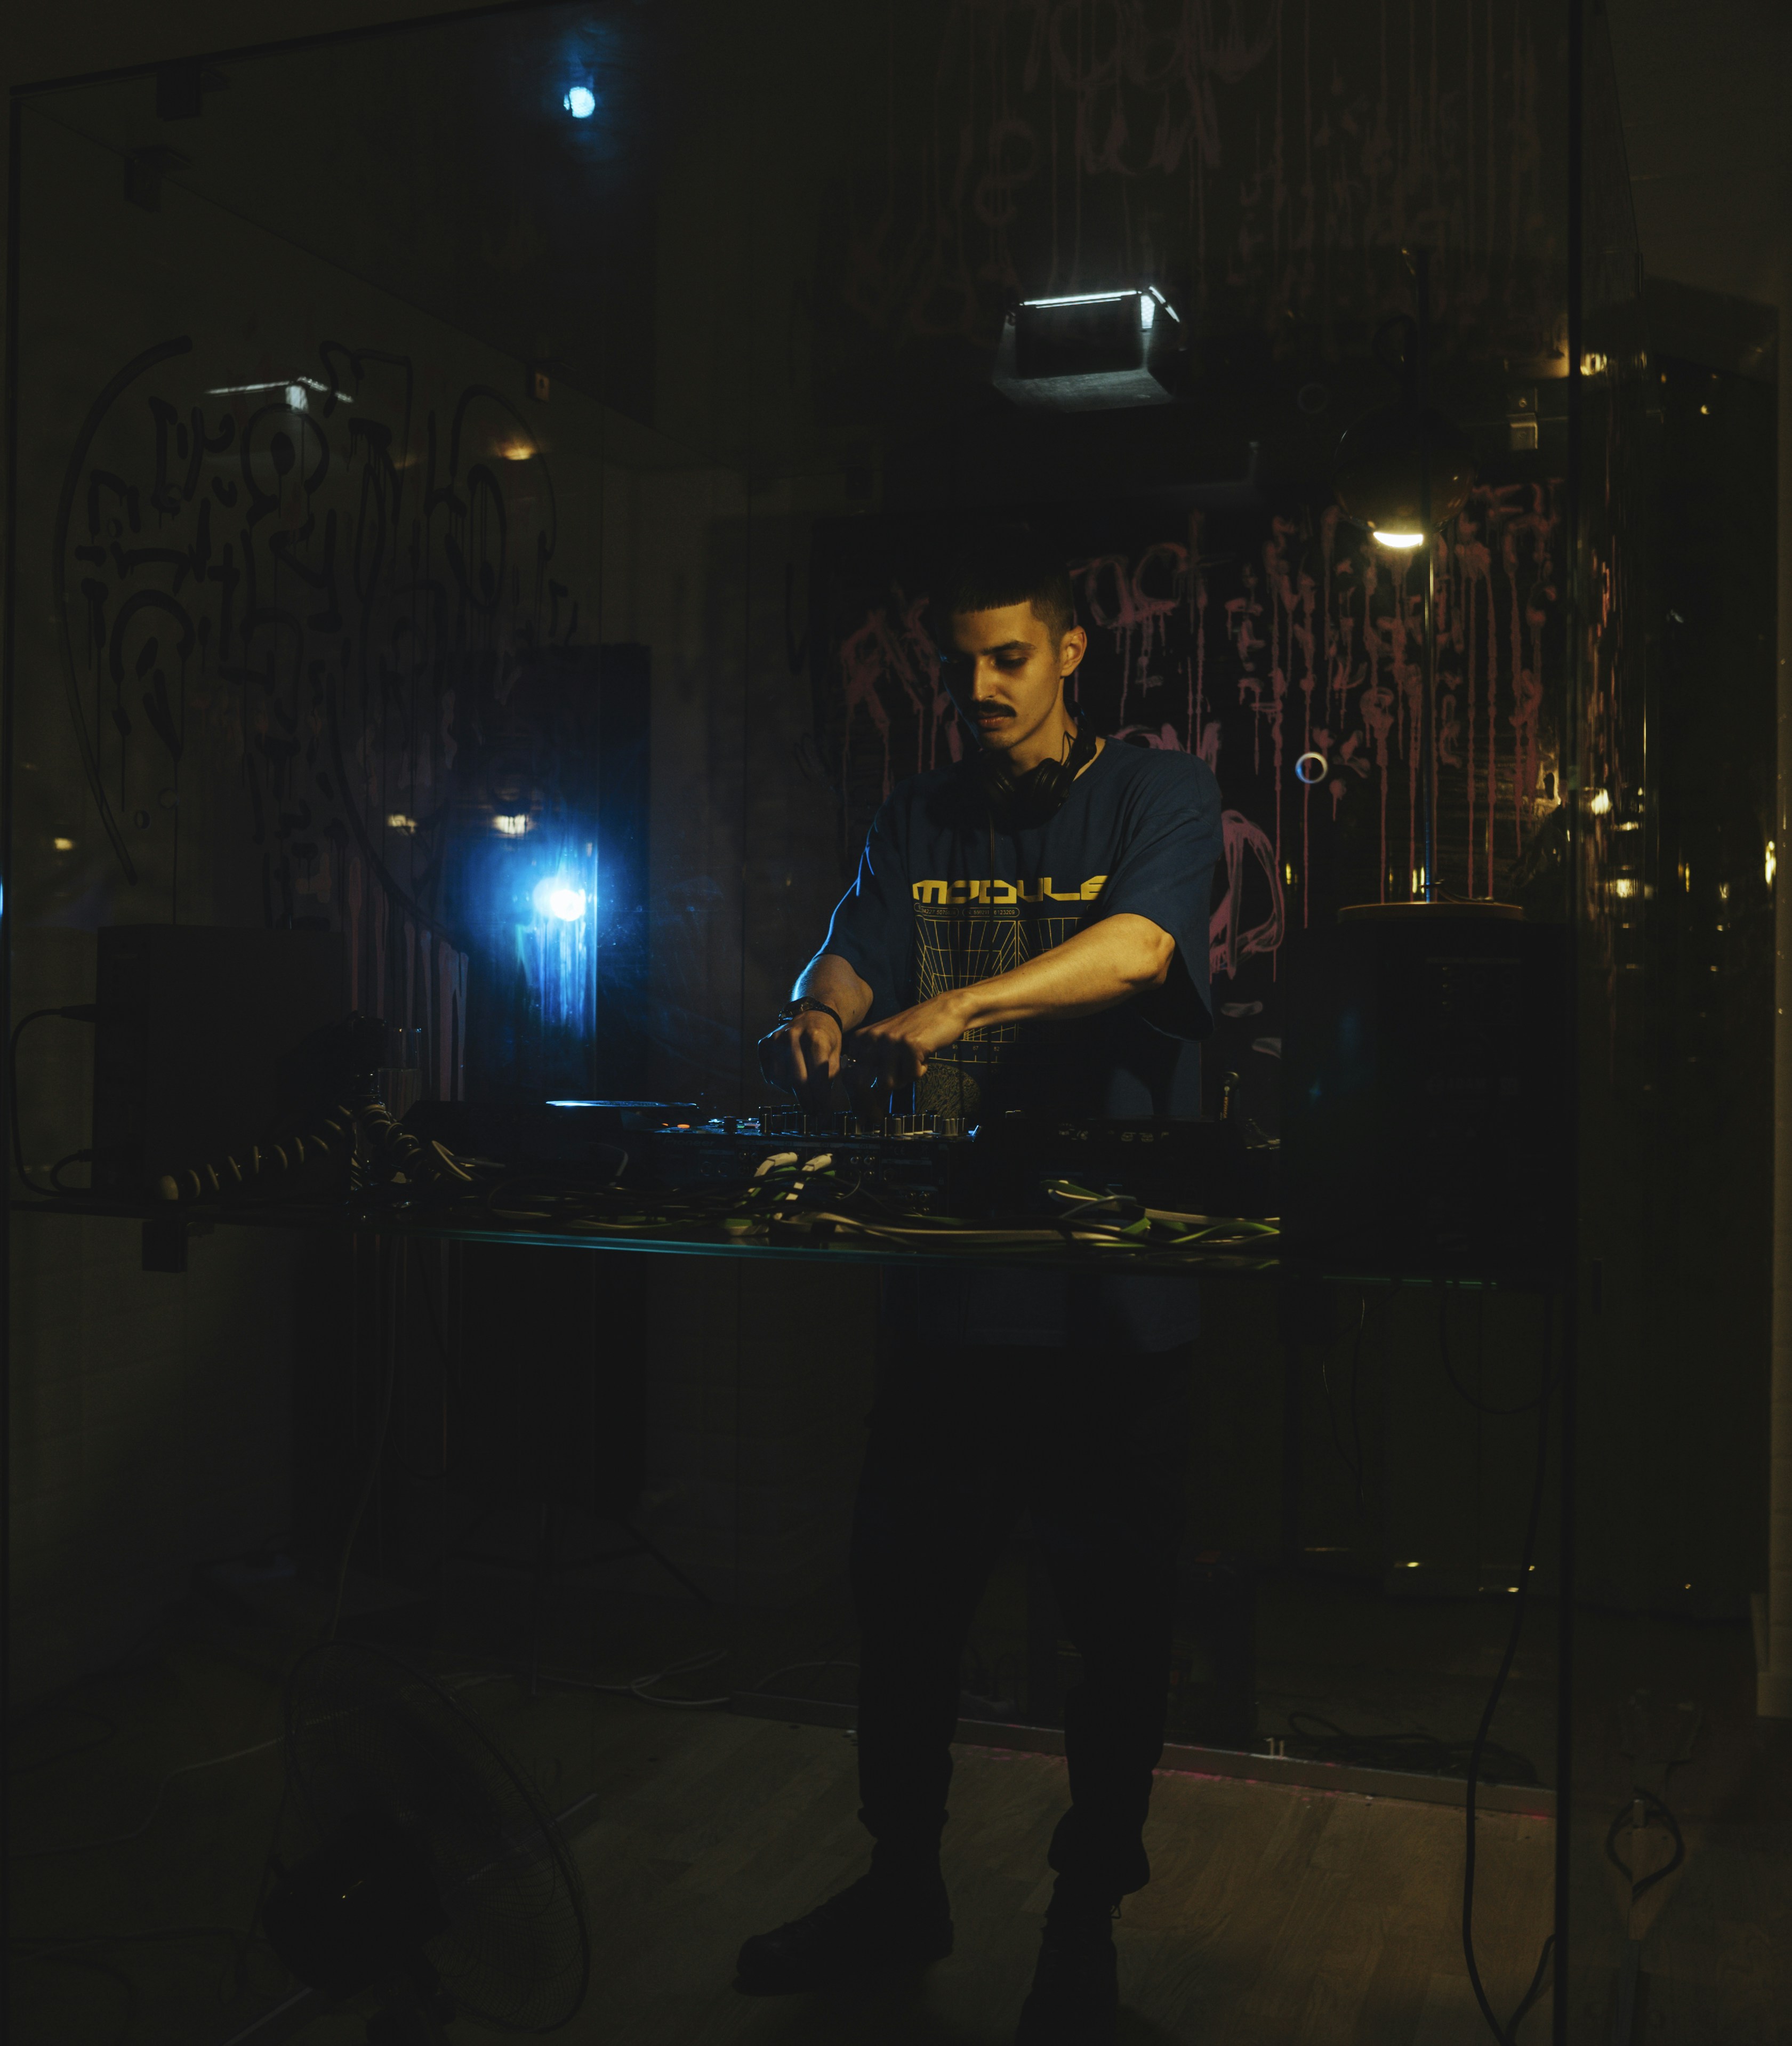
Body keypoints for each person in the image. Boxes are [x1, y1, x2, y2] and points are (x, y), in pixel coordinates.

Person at [740, 526, 1224, 2046]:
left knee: (1114, 1634)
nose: (981, 689)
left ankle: (1082, 1928)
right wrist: (813, 1020)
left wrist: (962, 1005)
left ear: (1070, 652)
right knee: (905, 1615)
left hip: (1109, 1305)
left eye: (1008, 658)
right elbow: (843, 959)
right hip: (952, 1298)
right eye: (960, 665)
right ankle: (904, 1887)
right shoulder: (918, 814)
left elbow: (1141, 950)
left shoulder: (1156, 790)